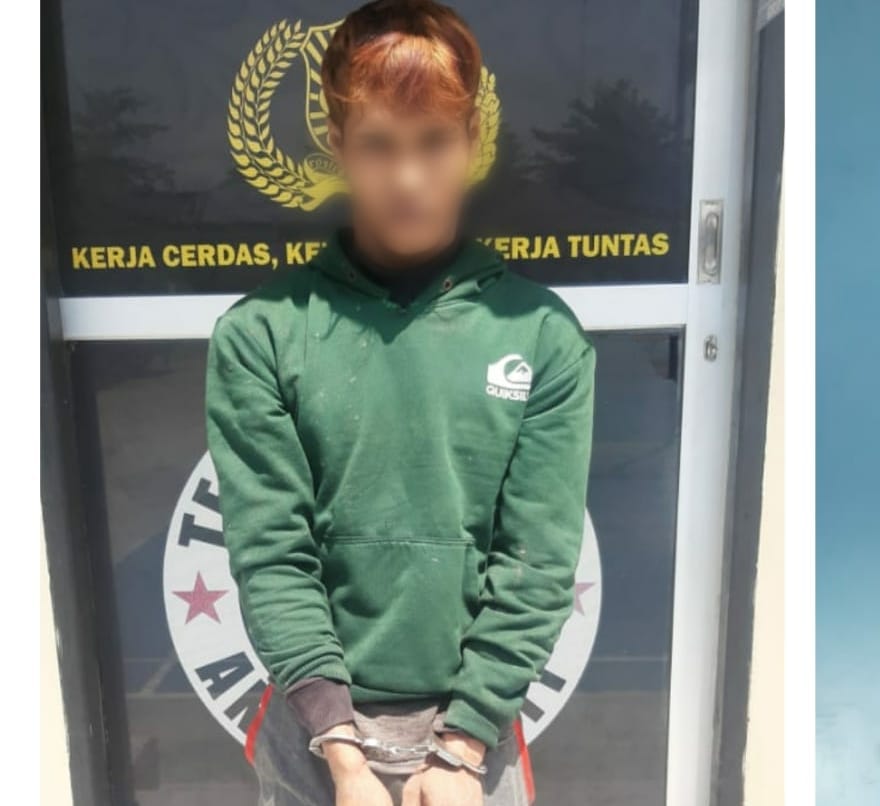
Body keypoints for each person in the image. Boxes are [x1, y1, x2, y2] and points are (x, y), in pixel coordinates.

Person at [206, 1, 595, 803]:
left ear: (472, 141)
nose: (409, 177)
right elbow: (272, 554)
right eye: (380, 145)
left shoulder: (543, 335)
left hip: (473, 741)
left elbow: (537, 562)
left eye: (434, 142)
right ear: (338, 145)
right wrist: (343, 757)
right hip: (317, 736)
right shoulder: (261, 333)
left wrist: (461, 749)